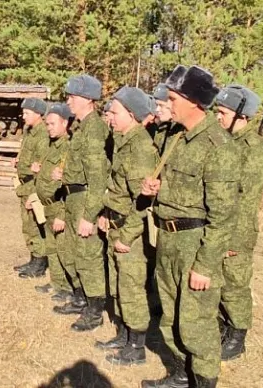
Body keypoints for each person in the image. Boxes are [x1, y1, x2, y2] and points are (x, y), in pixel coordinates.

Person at [140, 65, 240, 388]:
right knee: (171, 319)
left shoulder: (218, 146)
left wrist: (205, 264)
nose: (167, 104)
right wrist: (155, 190)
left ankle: (204, 382)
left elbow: (223, 215)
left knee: (197, 325)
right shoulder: (177, 137)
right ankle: (182, 375)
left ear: (194, 101)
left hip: (194, 244)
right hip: (168, 241)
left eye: (172, 98)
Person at [96, 87, 158, 365]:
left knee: (131, 288)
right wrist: (106, 213)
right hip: (116, 222)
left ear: (132, 115)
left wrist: (129, 236)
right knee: (120, 285)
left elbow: (142, 201)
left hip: (129, 232)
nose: (110, 116)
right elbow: (118, 188)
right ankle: (123, 335)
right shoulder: (123, 141)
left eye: (115, 112)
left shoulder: (140, 148)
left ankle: (137, 348)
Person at [215, 84, 263, 361]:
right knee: (218, 281)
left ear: (243, 117)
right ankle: (222, 325)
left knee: (234, 284)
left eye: (223, 112)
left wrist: (232, 240)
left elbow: (245, 201)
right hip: (219, 227)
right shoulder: (224, 142)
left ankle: (238, 335)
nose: (218, 117)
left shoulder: (253, 150)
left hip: (237, 230)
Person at [53, 75, 111, 333]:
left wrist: (90, 215)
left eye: (72, 97)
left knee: (89, 257)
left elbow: (98, 177)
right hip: (74, 196)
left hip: (86, 198)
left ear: (88, 99)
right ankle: (83, 298)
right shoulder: (82, 127)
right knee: (78, 254)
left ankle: (95, 309)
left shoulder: (95, 129)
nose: (68, 101)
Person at [32, 103, 74, 303]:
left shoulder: (67, 146)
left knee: (62, 251)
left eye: (52, 124)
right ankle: (57, 283)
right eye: (47, 124)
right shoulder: (52, 145)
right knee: (52, 248)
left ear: (65, 123)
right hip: (47, 205)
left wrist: (62, 215)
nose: (48, 127)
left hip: (58, 206)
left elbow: (69, 187)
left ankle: (67, 287)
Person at [13, 99, 51, 280]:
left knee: (35, 226)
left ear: (38, 114)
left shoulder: (42, 135)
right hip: (25, 185)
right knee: (28, 226)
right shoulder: (30, 132)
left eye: (27, 113)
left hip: (33, 185)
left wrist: (35, 193)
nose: (23, 116)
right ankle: (33, 259)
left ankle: (39, 264)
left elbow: (42, 166)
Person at [151, 83, 180, 156]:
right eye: (157, 105)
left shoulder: (181, 131)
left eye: (161, 105)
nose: (157, 109)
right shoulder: (162, 128)